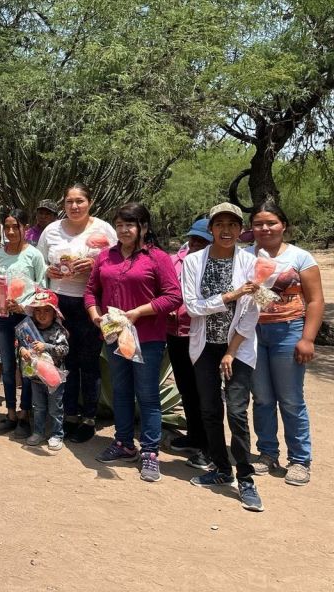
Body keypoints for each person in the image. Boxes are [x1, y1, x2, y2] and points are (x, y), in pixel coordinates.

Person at [86, 203, 182, 482]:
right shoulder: (106, 256)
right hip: (114, 336)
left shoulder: (157, 258)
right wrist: (95, 315)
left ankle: (150, 451)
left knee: (148, 395)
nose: (124, 230)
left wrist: (140, 312)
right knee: (121, 391)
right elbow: (91, 291)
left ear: (144, 227)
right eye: (119, 225)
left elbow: (173, 296)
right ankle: (124, 443)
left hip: (147, 338)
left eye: (130, 224)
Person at [181, 202, 264, 512]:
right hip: (205, 346)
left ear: (240, 229)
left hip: (237, 348)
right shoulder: (193, 262)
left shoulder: (250, 263)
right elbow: (193, 307)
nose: (226, 230)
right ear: (211, 229)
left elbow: (252, 313)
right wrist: (231, 295)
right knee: (210, 410)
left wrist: (231, 351)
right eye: (220, 224)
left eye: (232, 224)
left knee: (238, 411)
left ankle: (245, 477)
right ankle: (220, 468)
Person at [247, 200, 324, 486]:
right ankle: (267, 453)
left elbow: (315, 300)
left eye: (271, 223)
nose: (265, 228)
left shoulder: (300, 257)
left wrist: (308, 338)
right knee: (262, 398)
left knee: (291, 399)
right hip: (252, 333)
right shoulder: (245, 256)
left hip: (288, 331)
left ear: (284, 226)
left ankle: (300, 460)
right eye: (258, 224)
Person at [37, 184, 117, 443]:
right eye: (69, 201)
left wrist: (95, 264)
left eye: (80, 201)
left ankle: (89, 418)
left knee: (89, 362)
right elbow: (40, 262)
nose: (74, 206)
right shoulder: (51, 230)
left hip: (90, 303)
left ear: (90, 202)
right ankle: (69, 414)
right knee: (65, 360)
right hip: (59, 302)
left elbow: (118, 260)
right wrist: (48, 271)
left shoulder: (103, 229)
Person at [0, 209, 47, 436]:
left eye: (16, 226)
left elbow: (42, 289)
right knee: (7, 365)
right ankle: (11, 412)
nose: (11, 231)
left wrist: (25, 307)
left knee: (28, 365)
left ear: (25, 227)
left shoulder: (34, 255)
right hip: (3, 318)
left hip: (27, 318)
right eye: (7, 227)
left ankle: (25, 414)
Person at [166, 219, 213, 470]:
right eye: (193, 238)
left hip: (202, 334)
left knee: (205, 390)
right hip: (175, 334)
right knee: (186, 388)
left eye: (202, 240)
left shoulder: (214, 263)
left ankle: (209, 445)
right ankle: (194, 436)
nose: (195, 243)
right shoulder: (175, 260)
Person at [19, 289, 69, 452]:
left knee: (55, 408)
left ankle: (57, 434)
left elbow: (64, 349)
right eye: (38, 310)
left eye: (46, 310)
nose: (42, 314)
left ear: (54, 313)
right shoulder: (29, 329)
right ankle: (38, 432)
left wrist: (46, 346)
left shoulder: (58, 330)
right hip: (36, 377)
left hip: (55, 378)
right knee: (38, 407)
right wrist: (22, 351)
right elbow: (22, 345)